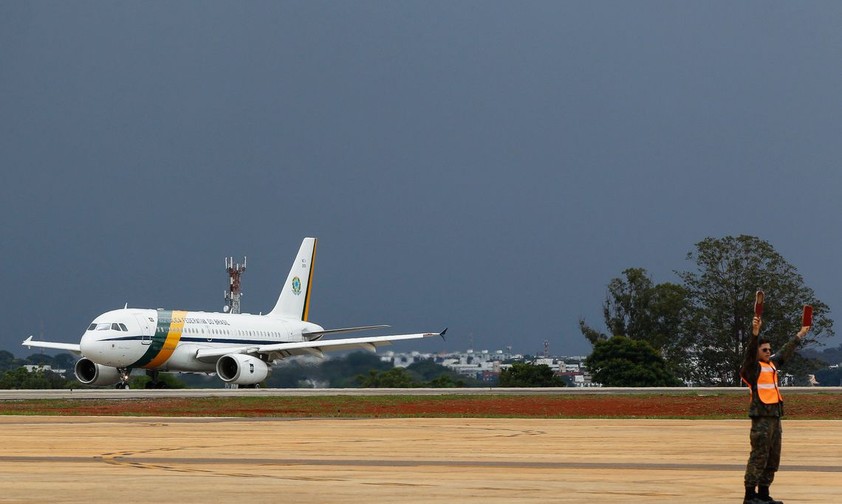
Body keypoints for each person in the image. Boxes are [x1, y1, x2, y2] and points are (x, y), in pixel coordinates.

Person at [739, 315, 809, 504]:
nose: (769, 352)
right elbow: (749, 352)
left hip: (774, 418)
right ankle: (749, 496)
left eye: (769, 349)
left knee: (772, 457)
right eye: (764, 350)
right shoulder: (752, 368)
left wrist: (801, 334)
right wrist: (755, 334)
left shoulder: (772, 364)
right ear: (757, 352)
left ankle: (763, 493)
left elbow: (786, 350)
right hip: (761, 418)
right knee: (759, 455)